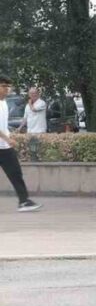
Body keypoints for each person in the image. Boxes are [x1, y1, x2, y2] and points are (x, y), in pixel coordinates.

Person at [0, 75, 42, 212]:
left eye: (8, 86)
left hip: (4, 147)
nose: (7, 89)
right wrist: (7, 139)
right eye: (3, 86)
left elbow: (3, 125)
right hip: (4, 143)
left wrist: (9, 136)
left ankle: (24, 201)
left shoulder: (4, 103)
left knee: (15, 173)